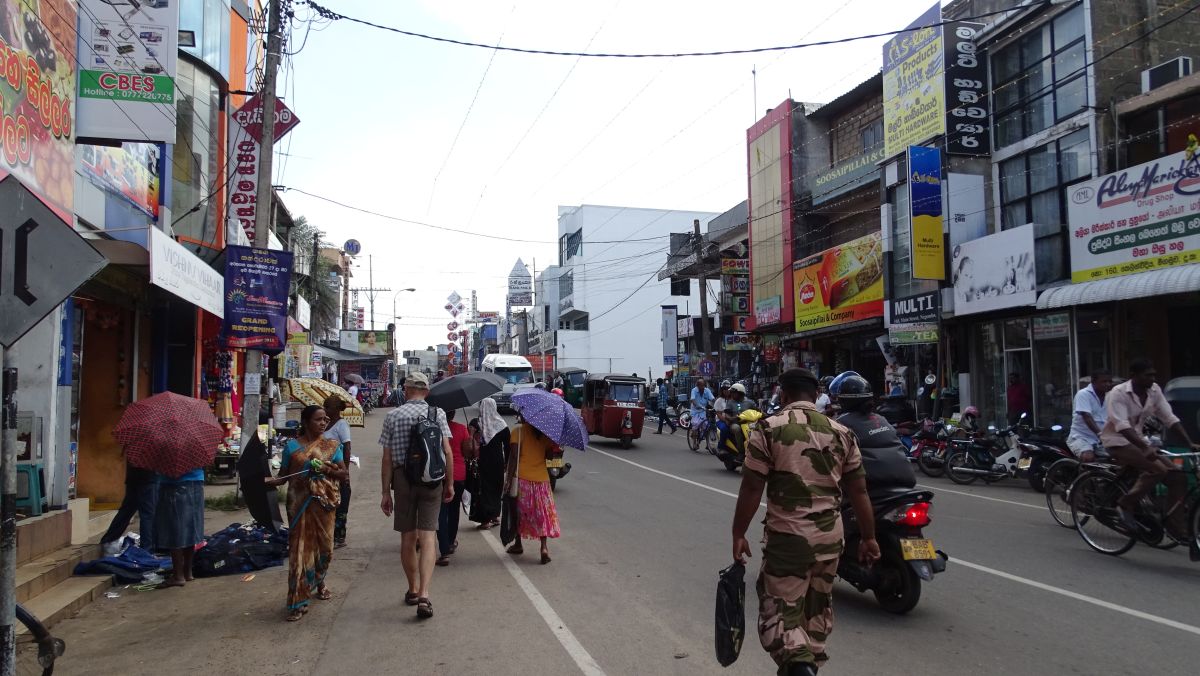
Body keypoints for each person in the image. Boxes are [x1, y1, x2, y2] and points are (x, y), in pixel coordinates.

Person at [732, 368, 879, 676]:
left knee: (780, 616)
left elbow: (751, 486)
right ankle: (804, 667)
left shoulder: (768, 429)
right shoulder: (842, 433)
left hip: (788, 541)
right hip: (830, 541)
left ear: (782, 395)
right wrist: (868, 538)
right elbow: (860, 490)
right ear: (815, 396)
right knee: (815, 613)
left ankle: (801, 670)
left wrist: (738, 532)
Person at [379, 371, 454, 619]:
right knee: (429, 537)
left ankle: (411, 589)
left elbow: (387, 458)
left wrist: (385, 492)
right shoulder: (437, 413)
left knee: (408, 539)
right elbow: (447, 452)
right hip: (433, 480)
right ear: (427, 392)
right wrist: (450, 484)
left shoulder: (393, 416)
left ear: (407, 390)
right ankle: (424, 594)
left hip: (403, 479)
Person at [266, 405, 347, 621]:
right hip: (299, 504)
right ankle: (297, 601)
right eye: (318, 419)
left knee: (325, 550)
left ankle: (319, 581)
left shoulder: (331, 446)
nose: (323, 423)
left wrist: (325, 469)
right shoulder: (291, 448)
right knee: (299, 553)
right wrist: (269, 481)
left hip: (325, 504)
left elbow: (343, 473)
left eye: (325, 419)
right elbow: (283, 476)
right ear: (306, 422)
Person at [1101, 359, 1199, 538]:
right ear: (1133, 376)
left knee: (1178, 477)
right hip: (1117, 441)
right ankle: (1125, 503)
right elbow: (1122, 426)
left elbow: (1169, 418)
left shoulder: (1154, 391)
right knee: (1157, 470)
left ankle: (1174, 525)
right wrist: (1145, 448)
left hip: (1139, 441)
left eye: (1154, 375)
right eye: (1148, 375)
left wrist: (1189, 443)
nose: (1152, 378)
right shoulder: (1118, 393)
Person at [833, 374, 917, 490]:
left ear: (843, 400)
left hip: (873, 485)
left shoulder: (840, 424)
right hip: (907, 478)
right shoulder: (880, 418)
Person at [506, 420, 561, 564]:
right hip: (542, 481)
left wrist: (508, 479)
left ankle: (518, 544)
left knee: (520, 513)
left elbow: (513, 457)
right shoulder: (546, 435)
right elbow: (549, 457)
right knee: (542, 514)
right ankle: (544, 548)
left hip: (523, 479)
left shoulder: (517, 432)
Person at [100, 459, 159, 556]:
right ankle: (146, 550)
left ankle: (109, 539)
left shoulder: (135, 446)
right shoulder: (152, 446)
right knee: (147, 515)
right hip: (148, 478)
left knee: (128, 510)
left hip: (134, 477)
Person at [469, 398, 509, 529]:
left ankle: (485, 520)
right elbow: (508, 446)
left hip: (484, 460)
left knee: (485, 488)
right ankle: (495, 516)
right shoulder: (502, 425)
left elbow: (472, 442)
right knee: (497, 487)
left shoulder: (478, 424)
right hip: (498, 461)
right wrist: (507, 462)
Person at [437, 409, 470, 566]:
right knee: (454, 509)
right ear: (454, 413)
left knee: (441, 512)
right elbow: (467, 452)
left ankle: (444, 546)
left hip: (441, 474)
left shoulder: (436, 428)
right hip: (458, 473)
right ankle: (450, 541)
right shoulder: (462, 429)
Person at [322, 396, 353, 548]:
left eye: (327, 407)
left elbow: (347, 448)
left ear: (334, 409)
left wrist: (345, 471)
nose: (325, 410)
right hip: (325, 471)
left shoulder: (342, 425)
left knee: (341, 503)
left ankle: (339, 537)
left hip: (337, 469)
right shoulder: (325, 424)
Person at [1067, 370, 1113, 462]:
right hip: (1081, 438)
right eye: (1104, 381)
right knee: (1088, 457)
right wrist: (1100, 434)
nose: (1107, 384)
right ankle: (1082, 476)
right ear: (1093, 381)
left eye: (1109, 381)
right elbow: (1087, 416)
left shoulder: (1110, 396)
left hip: (1101, 440)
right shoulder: (1083, 394)